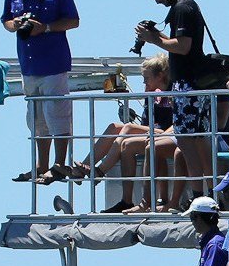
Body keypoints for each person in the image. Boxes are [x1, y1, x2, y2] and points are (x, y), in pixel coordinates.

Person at [136, 0, 224, 203]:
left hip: (187, 85)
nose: (156, 0)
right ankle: (215, 193)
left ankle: (198, 196)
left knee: (186, 141)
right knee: (197, 140)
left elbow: (184, 47)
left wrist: (154, 39)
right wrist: (158, 35)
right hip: (193, 84)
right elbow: (179, 42)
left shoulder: (183, 8)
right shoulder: (185, 6)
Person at [2, 0, 81, 185]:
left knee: (57, 113)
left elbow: (73, 21)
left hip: (54, 62)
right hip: (29, 64)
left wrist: (44, 27)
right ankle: (41, 164)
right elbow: (5, 19)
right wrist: (16, 25)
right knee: (36, 117)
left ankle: (59, 164)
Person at [71, 54, 181, 213]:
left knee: (128, 128)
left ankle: (100, 171)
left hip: (167, 133)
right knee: (115, 128)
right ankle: (89, 169)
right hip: (155, 131)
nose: (144, 83)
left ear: (160, 76)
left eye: (147, 78)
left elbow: (177, 123)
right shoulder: (153, 94)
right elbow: (146, 122)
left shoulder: (174, 92)